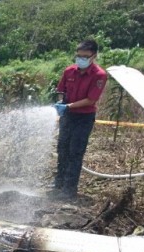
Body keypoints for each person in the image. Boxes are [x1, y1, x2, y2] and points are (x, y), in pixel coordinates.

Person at [52, 39, 107, 199]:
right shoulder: (69, 71)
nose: (80, 59)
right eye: (78, 55)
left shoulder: (99, 75)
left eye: (85, 56)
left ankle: (69, 189)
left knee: (75, 151)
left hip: (84, 117)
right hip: (68, 116)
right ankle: (59, 182)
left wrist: (68, 106)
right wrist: (61, 103)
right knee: (62, 148)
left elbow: (91, 100)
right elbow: (61, 90)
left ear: (94, 56)